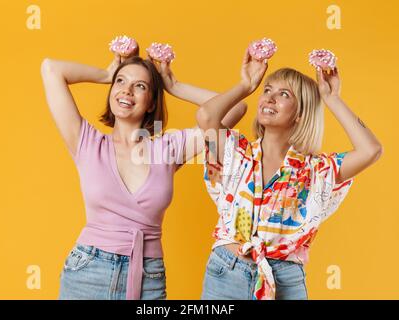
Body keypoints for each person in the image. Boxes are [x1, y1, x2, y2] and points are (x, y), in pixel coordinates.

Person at [40, 44, 247, 300]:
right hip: (87, 271)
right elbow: (51, 69)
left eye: (140, 86)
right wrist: (106, 74)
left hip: (147, 276)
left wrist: (173, 85)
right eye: (121, 81)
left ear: (151, 103)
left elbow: (236, 109)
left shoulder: (167, 148)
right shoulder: (86, 142)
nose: (127, 90)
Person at [196, 49, 383, 300]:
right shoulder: (235, 151)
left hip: (285, 278)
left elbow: (370, 150)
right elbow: (206, 116)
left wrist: (332, 98)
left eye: (284, 94)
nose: (270, 98)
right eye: (267, 90)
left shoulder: (316, 171)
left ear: (300, 114)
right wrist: (247, 84)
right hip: (226, 272)